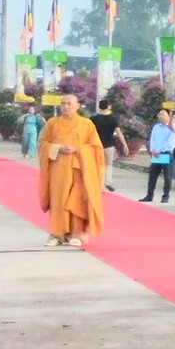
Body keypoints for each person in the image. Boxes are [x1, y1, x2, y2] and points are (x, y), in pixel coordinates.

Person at [37, 95, 106, 247]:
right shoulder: (52, 123)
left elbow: (97, 149)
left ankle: (77, 233)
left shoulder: (87, 124)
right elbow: (42, 144)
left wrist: (79, 150)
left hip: (79, 170)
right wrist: (58, 148)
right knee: (59, 201)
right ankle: (57, 234)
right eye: (63, 103)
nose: (65, 106)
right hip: (59, 170)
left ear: (77, 106)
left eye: (69, 104)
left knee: (76, 202)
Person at [141, 109, 175, 203]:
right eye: (159, 114)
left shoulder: (173, 128)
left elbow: (171, 142)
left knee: (167, 177)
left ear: (169, 116)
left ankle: (165, 196)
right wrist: (153, 150)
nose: (161, 116)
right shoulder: (156, 127)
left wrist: (159, 150)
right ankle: (149, 195)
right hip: (156, 155)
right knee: (152, 176)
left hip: (167, 154)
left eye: (163, 114)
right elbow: (152, 138)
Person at [90, 100, 123, 192]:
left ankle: (100, 184)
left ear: (99, 107)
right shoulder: (113, 118)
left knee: (98, 165)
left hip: (97, 145)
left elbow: (88, 132)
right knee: (108, 164)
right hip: (109, 145)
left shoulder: (93, 118)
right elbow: (119, 132)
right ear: (108, 107)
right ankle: (108, 182)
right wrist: (124, 145)